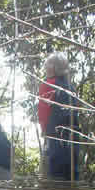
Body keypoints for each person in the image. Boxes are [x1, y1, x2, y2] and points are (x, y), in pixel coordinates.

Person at [38, 52, 80, 181]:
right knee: (71, 172)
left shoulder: (48, 85)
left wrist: (44, 130)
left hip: (55, 134)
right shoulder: (70, 88)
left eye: (49, 64)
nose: (46, 67)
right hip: (73, 135)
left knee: (57, 174)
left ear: (55, 67)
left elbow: (43, 112)